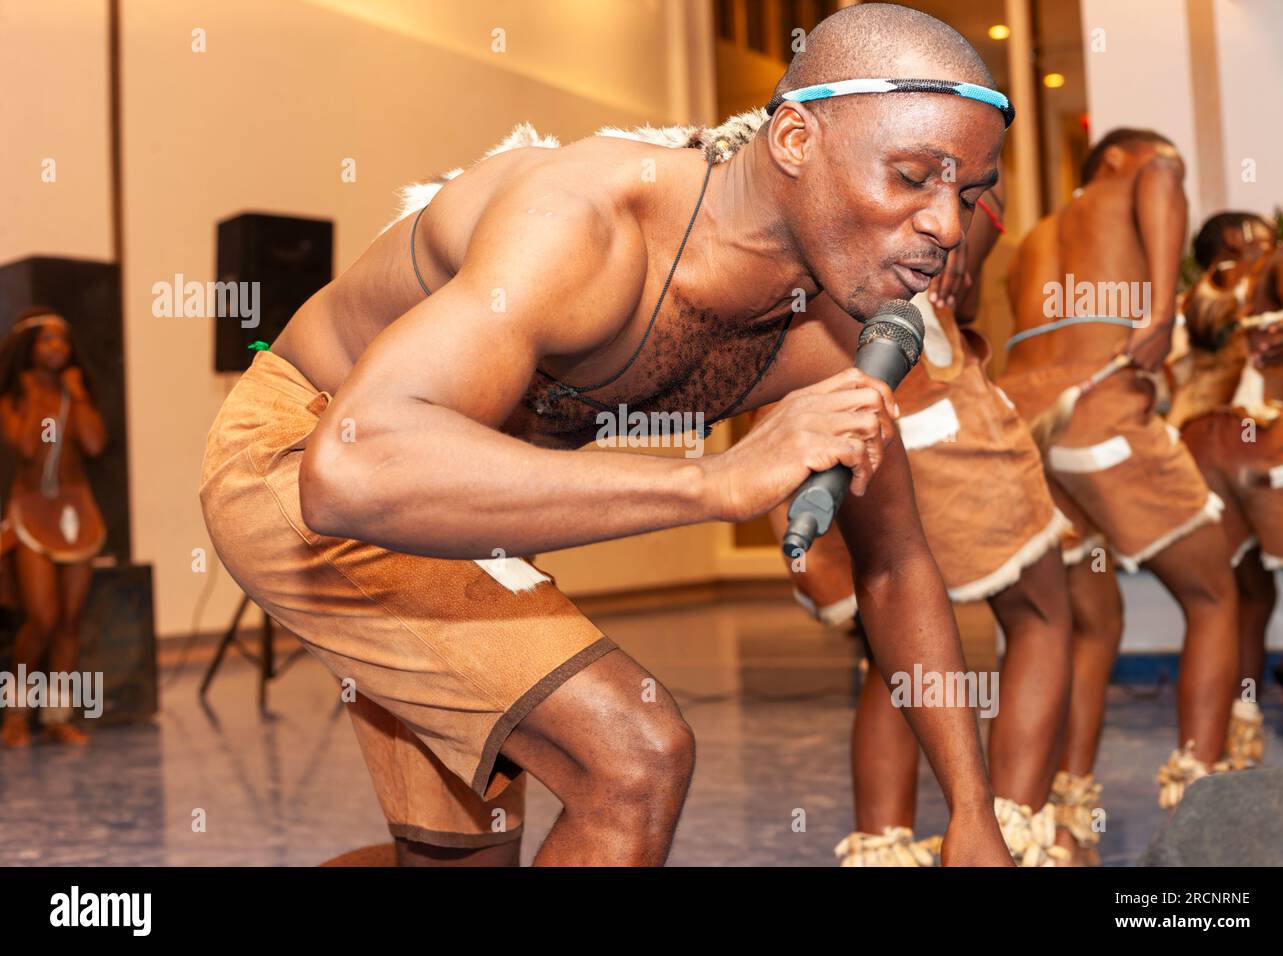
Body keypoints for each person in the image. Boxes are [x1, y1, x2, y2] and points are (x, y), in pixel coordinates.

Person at [199, 4, 1017, 865]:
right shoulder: (586, 227)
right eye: (912, 176)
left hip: (452, 519)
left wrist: (972, 811)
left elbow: (895, 564)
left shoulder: (843, 331)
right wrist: (716, 483)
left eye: (966, 193)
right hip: (301, 461)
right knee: (635, 757)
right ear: (794, 141)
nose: (948, 228)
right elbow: (352, 469)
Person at [764, 179, 1076, 866]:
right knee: (1043, 613)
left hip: (838, 395)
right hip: (927, 393)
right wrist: (974, 213)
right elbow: (970, 235)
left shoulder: (803, 181)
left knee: (894, 650)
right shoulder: (939, 163)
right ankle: (1013, 832)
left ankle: (881, 847)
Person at [999, 128, 1239, 816]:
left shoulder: (1037, 237)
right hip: (1096, 407)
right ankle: (1198, 796)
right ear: (1112, 161)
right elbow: (1161, 172)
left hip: (1024, 427)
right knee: (1215, 595)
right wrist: (1162, 311)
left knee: (1086, 622)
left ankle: (1061, 807)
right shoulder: (1142, 177)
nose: (1173, 173)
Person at [1167, 211, 1283, 766]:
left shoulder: (1189, 299)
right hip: (1261, 443)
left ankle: (1238, 734)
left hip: (1197, 451)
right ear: (1243, 236)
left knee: (1242, 593)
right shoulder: (1275, 263)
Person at [0, 309, 108, 748]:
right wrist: (36, 399)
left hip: (76, 511)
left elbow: (96, 443)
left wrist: (76, 397)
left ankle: (58, 715)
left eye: (62, 341)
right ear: (30, 348)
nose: (56, 349)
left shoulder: (75, 391)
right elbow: (26, 445)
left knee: (69, 621)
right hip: (32, 512)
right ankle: (16, 713)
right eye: (46, 341)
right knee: (41, 618)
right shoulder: (13, 397)